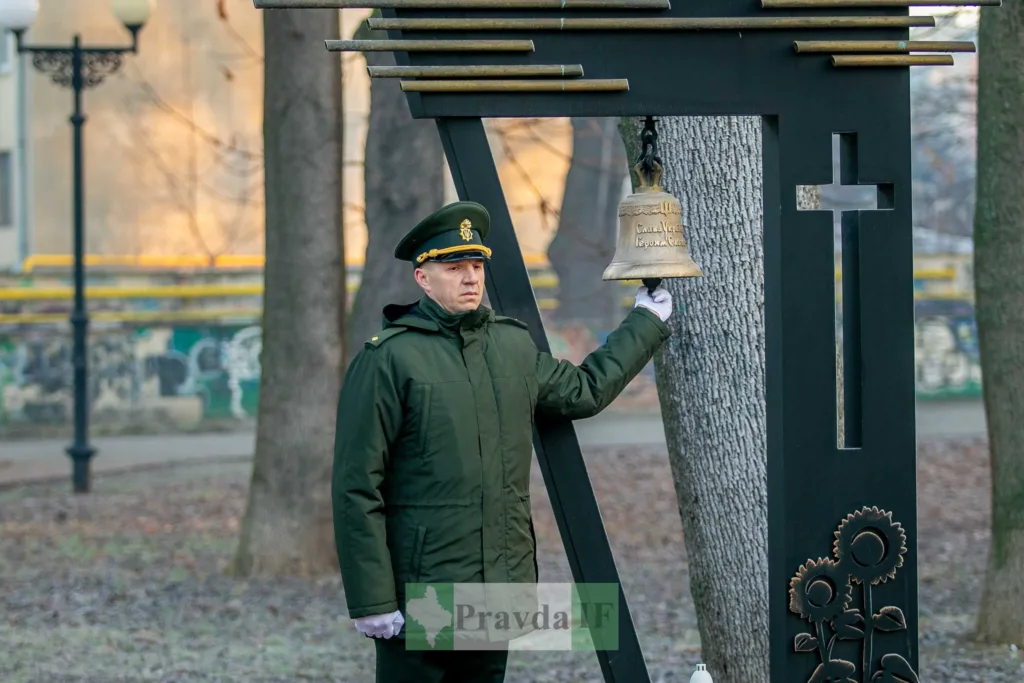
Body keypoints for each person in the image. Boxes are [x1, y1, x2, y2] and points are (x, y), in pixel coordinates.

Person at [332, 200, 673, 682]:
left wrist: (647, 320)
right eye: (455, 268)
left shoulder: (511, 346)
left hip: (497, 588)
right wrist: (372, 599)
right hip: (421, 593)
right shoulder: (389, 360)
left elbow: (584, 390)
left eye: (476, 266)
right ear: (423, 278)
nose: (471, 278)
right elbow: (356, 488)